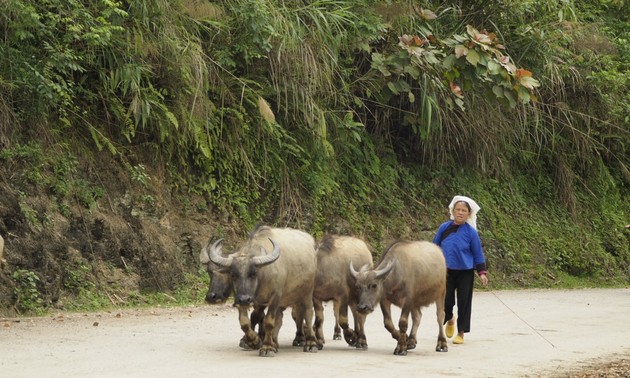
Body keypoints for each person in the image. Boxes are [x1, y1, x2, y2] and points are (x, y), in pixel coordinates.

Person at [433, 195, 488, 345]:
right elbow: (434, 247)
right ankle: (450, 318)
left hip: (465, 271)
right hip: (446, 271)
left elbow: (477, 253)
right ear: (452, 210)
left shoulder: (471, 232)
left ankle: (461, 333)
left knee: (464, 302)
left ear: (469, 214)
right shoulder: (444, 228)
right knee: (446, 300)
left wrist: (482, 272)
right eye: (458, 209)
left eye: (464, 210)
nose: (460, 212)